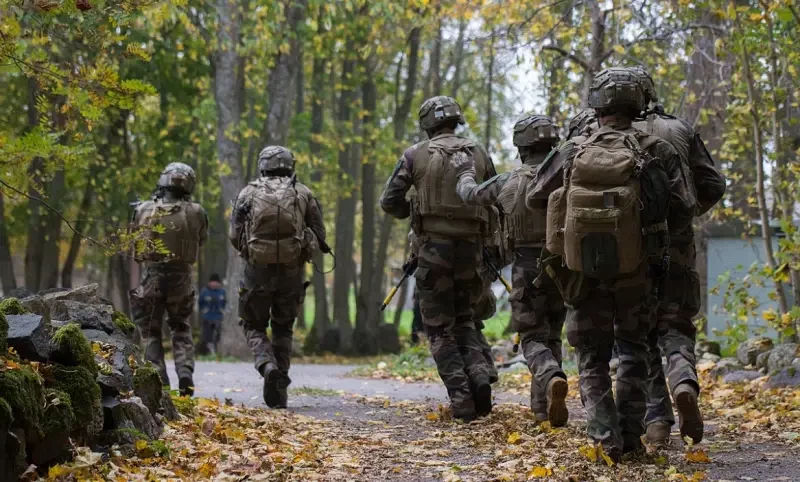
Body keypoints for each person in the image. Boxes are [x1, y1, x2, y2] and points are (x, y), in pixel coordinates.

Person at [528, 68, 695, 460]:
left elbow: (536, 196)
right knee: (635, 349)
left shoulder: (572, 150)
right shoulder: (659, 149)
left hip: (582, 271)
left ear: (597, 105)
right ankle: (632, 436)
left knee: (592, 355)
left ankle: (605, 439)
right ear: (639, 103)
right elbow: (686, 207)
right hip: (639, 270)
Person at [380, 96, 496, 421]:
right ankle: (480, 377)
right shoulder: (479, 153)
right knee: (466, 321)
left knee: (439, 328)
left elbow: (389, 201)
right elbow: (493, 197)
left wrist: (414, 211)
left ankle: (461, 397)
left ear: (427, 123)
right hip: (471, 252)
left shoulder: (415, 155)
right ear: (456, 120)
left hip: (433, 251)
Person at [629, 66, 726, 446]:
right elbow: (713, 184)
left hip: (628, 252)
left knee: (640, 333)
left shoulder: (603, 135)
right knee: (676, 326)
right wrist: (686, 217)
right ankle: (684, 379)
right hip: (677, 245)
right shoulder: (678, 129)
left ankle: (656, 421)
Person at [451, 114, 568, 427]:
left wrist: (464, 172)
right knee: (552, 334)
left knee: (531, 336)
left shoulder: (509, 181)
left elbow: (470, 195)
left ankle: (550, 375)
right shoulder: (567, 176)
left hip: (527, 267)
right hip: (565, 266)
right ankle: (542, 411)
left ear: (521, 146)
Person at [229, 146, 328, 408]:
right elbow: (319, 233)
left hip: (256, 271)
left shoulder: (247, 193)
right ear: (290, 166)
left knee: (253, 324)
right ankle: (279, 389)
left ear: (262, 166)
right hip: (291, 271)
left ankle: (266, 364)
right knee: (283, 327)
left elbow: (233, 236)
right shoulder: (302, 192)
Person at [130, 162, 208, 396]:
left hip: (151, 276)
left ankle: (159, 378)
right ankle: (185, 371)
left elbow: (134, 241)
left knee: (150, 331)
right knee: (181, 327)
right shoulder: (196, 211)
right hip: (181, 278)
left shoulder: (143, 209)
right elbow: (201, 240)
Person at [198, 273, 226, 355]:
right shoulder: (204, 291)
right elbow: (200, 302)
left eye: (216, 282)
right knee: (207, 335)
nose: (214, 284)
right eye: (212, 282)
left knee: (218, 334)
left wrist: (222, 310)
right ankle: (208, 351)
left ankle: (217, 349)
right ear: (209, 283)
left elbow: (224, 302)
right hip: (207, 316)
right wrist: (203, 310)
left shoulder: (222, 292)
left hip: (218, 316)